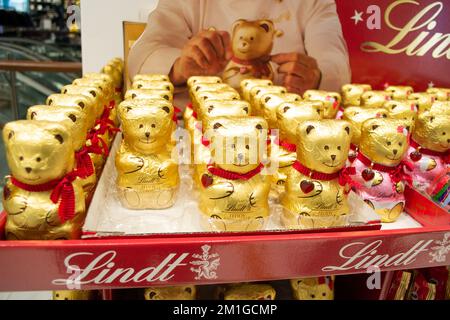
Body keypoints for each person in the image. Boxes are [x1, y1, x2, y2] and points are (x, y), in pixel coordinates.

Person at [128, 0, 350, 105]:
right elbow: (143, 54)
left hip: (284, 141)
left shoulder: (313, 2)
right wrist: (178, 67)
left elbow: (334, 62)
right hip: (202, 139)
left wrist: (317, 77)